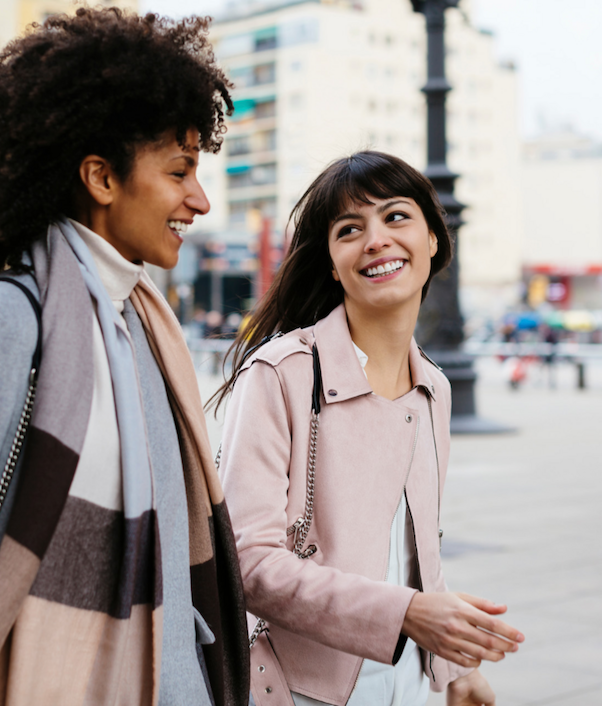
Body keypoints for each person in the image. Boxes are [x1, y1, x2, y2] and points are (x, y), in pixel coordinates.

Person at [0, 9, 249, 706]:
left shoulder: (145, 329)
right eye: (179, 170)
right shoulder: (4, 324)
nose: (200, 199)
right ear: (100, 177)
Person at [213, 151, 524, 706]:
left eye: (397, 217)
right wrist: (405, 614)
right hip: (298, 687)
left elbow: (416, 550)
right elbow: (248, 563)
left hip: (408, 687)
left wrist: (453, 668)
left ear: (433, 240)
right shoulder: (280, 372)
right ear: (333, 263)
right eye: (350, 229)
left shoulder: (434, 387)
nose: (376, 239)